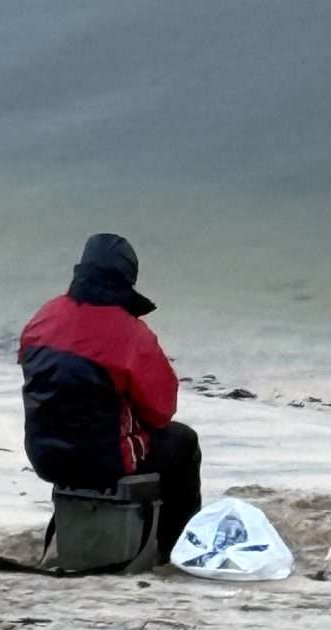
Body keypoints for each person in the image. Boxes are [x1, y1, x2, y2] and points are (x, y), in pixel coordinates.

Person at [18, 233, 203, 563]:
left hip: (45, 456)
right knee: (183, 443)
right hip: (103, 461)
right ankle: (176, 548)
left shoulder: (42, 319)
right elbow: (163, 409)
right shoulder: (131, 334)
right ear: (127, 279)